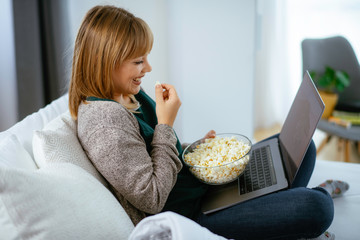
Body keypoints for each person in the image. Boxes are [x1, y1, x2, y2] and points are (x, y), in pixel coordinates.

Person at [68, 5, 347, 240]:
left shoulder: (128, 95)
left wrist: (195, 150)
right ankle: (290, 207)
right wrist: (166, 124)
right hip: (192, 213)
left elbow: (153, 151)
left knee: (301, 146)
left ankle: (278, 209)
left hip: (201, 186)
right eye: (139, 61)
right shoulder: (104, 122)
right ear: (105, 61)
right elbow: (152, 198)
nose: (148, 68)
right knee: (319, 206)